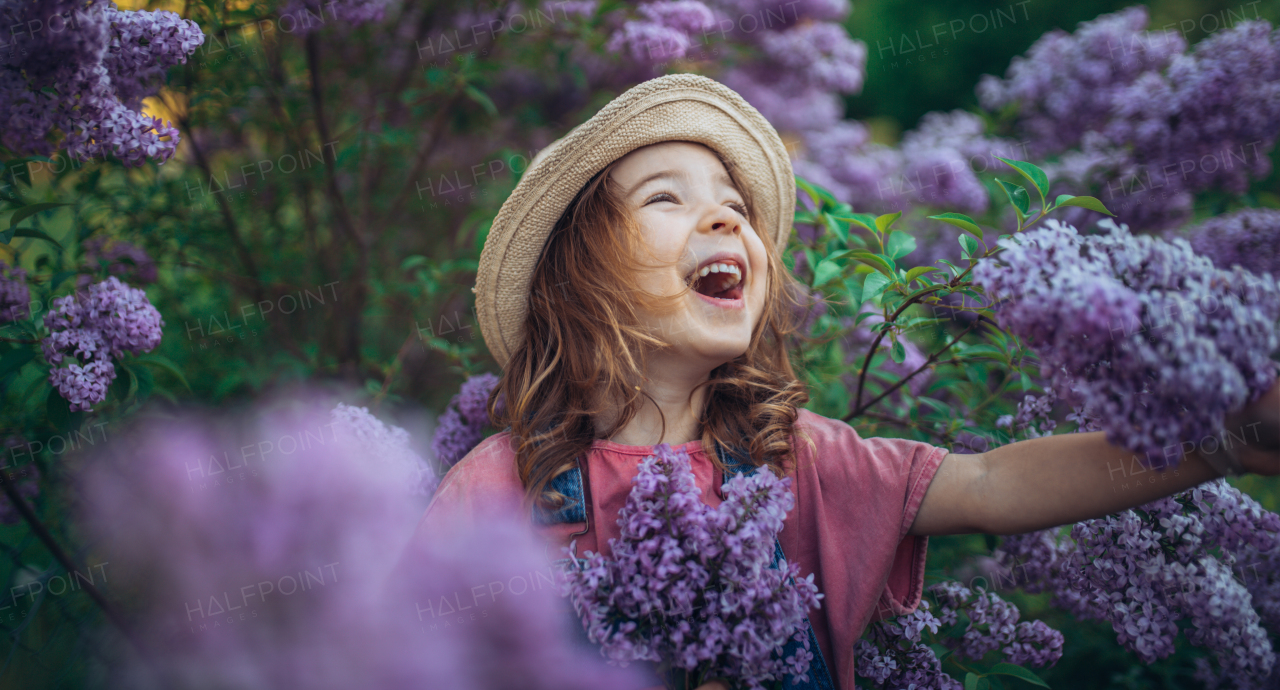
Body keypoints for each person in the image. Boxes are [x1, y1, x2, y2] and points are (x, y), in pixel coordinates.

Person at [400, 74, 1280, 690]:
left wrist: (1221, 441)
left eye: (736, 207)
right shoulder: (498, 489)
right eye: (664, 198)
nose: (721, 214)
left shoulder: (797, 461)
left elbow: (988, 483)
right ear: (572, 285)